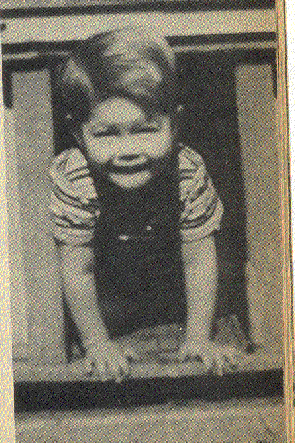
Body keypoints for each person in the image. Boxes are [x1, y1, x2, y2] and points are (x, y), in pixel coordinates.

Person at [49, 26, 239, 382]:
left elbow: (198, 258)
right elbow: (77, 268)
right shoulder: (75, 179)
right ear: (78, 135)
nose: (127, 150)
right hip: (109, 287)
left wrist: (198, 338)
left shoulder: (187, 171)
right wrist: (97, 344)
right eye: (106, 134)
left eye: (145, 130)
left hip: (166, 280)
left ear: (176, 124)